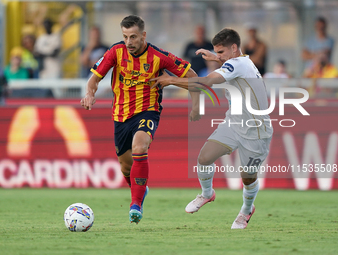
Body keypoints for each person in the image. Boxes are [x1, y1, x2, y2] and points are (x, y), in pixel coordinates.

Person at [80, 15, 200, 224]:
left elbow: (196, 79)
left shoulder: (159, 57)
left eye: (133, 37)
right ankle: (140, 190)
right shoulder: (115, 51)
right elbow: (94, 79)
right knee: (126, 168)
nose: (129, 42)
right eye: (125, 37)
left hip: (148, 111)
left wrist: (179, 89)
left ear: (143, 35)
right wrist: (90, 94)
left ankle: (135, 204)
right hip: (120, 115)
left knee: (139, 146)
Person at [151, 28, 273, 229]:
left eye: (221, 52)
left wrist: (170, 80)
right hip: (233, 124)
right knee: (204, 157)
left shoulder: (237, 64)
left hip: (256, 130)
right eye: (217, 52)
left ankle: (246, 209)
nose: (219, 56)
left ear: (234, 48)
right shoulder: (241, 60)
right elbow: (231, 66)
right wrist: (218, 58)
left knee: (247, 176)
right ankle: (207, 194)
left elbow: (205, 83)